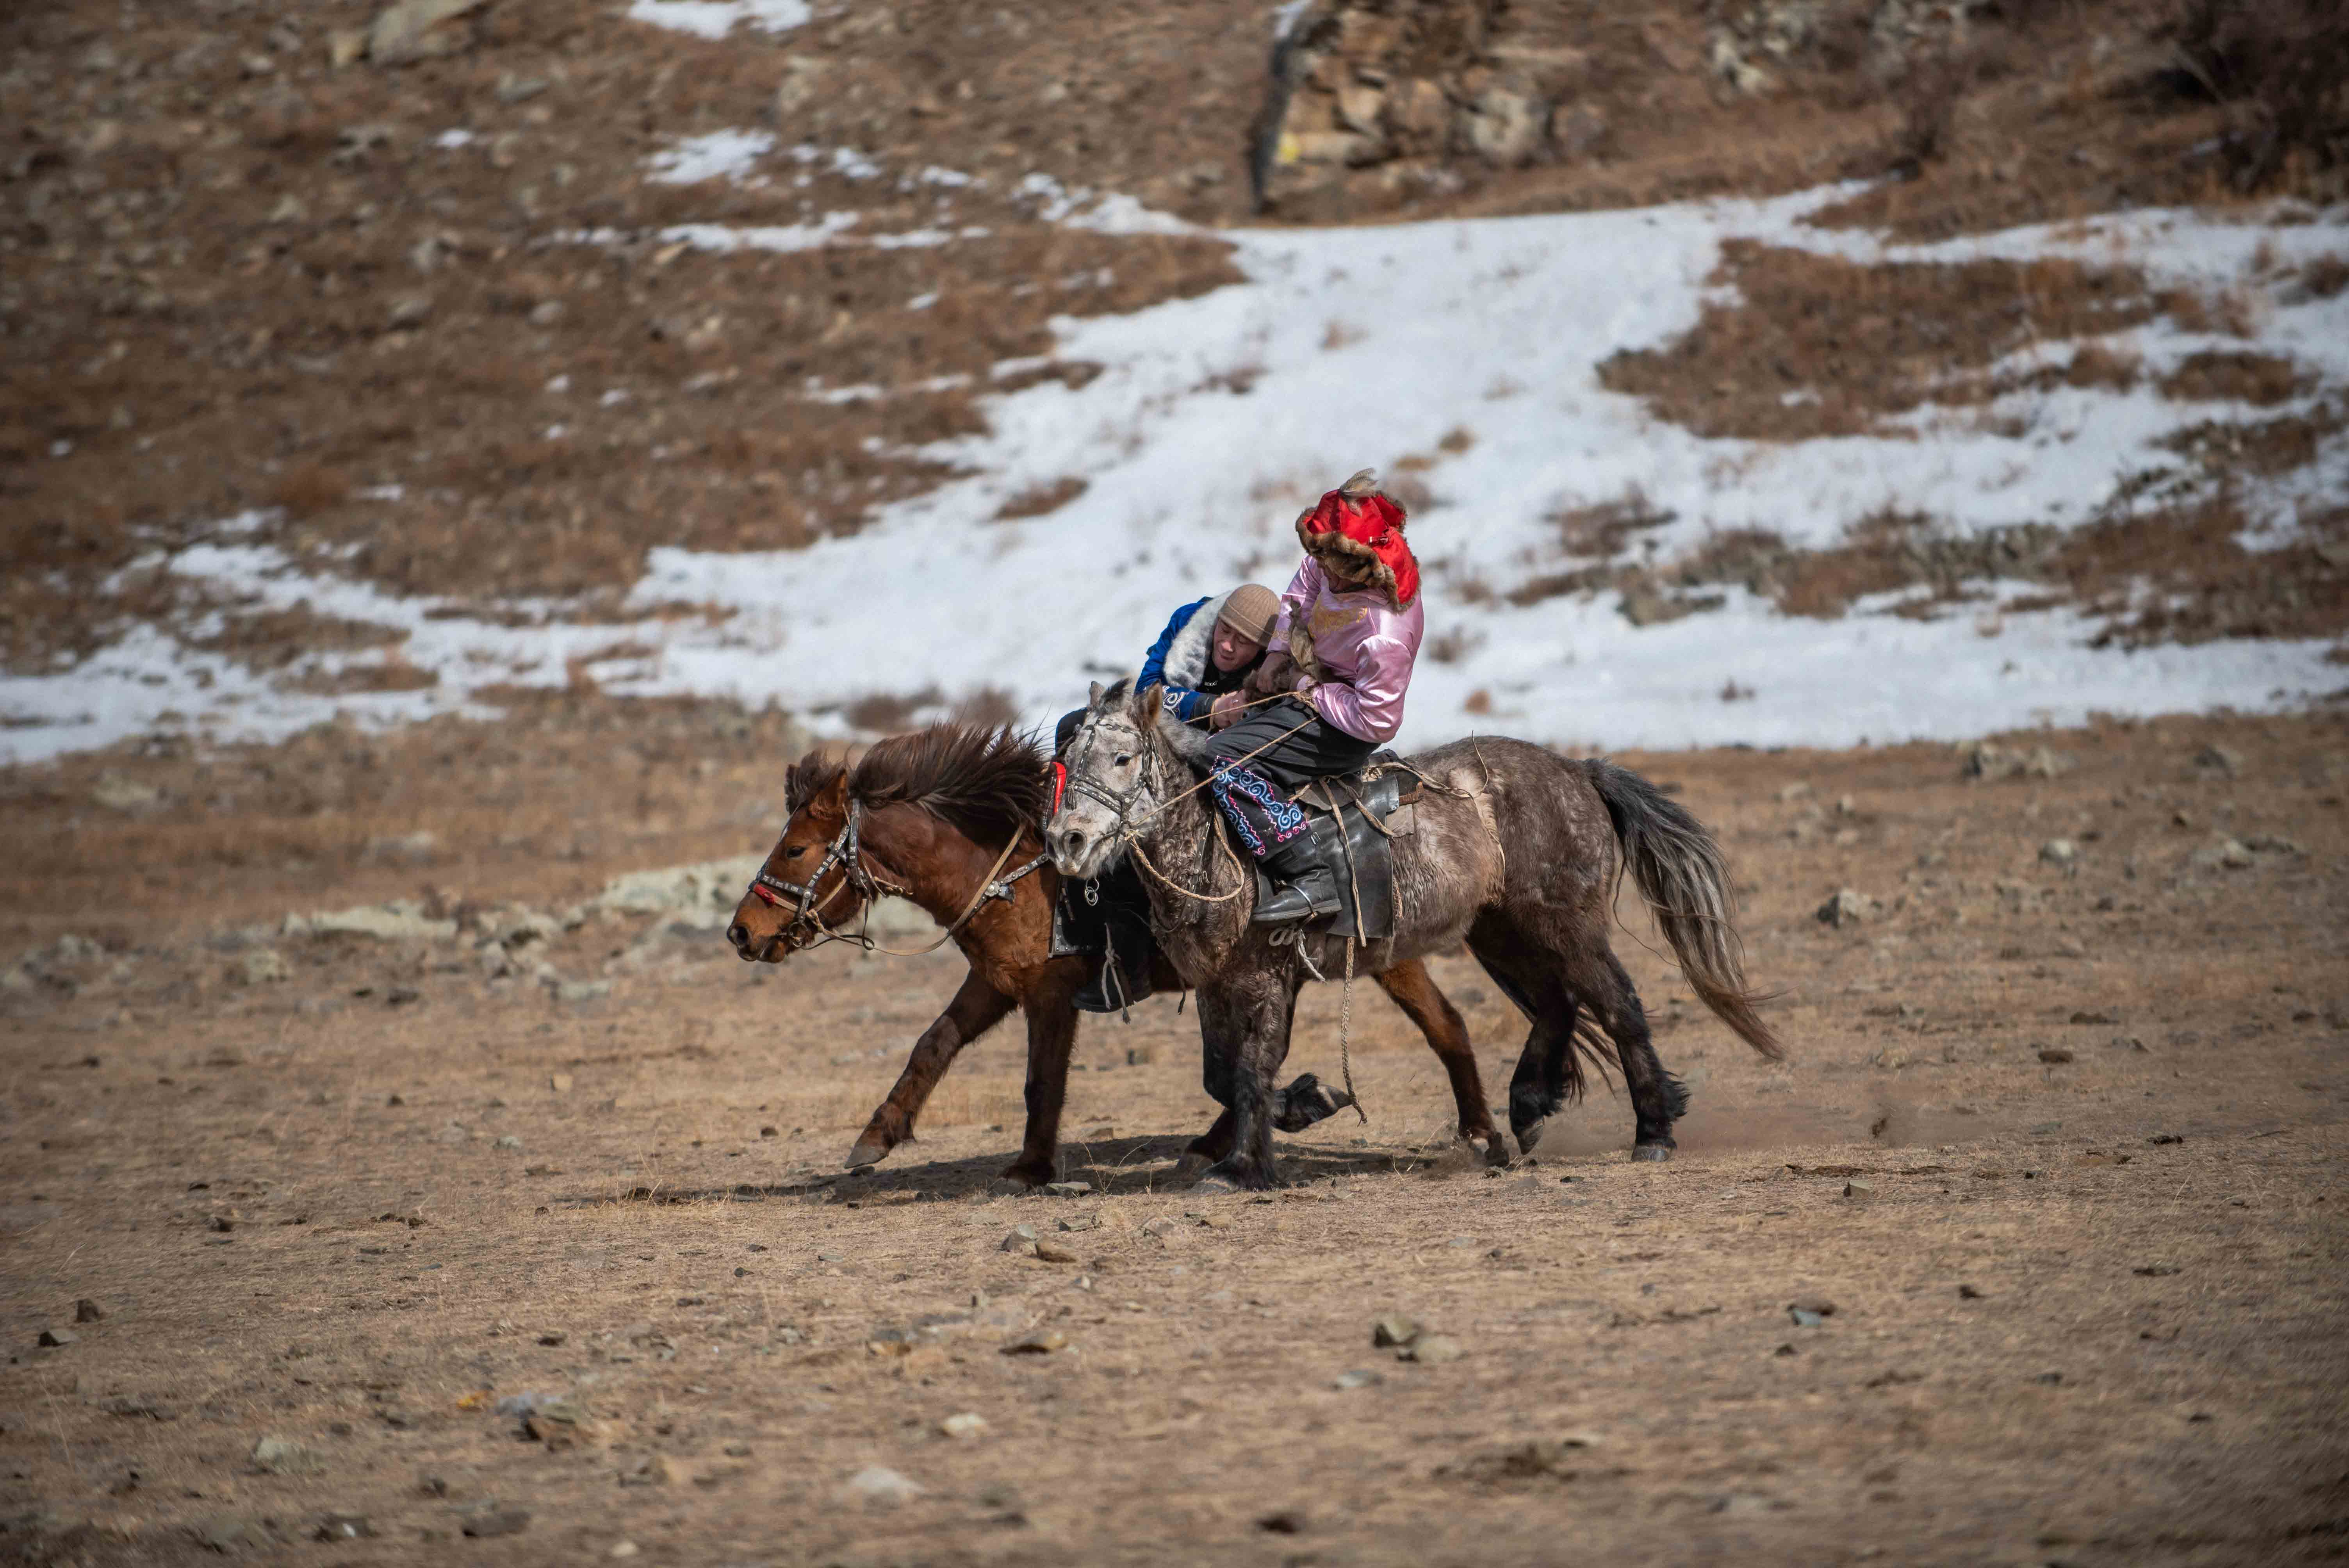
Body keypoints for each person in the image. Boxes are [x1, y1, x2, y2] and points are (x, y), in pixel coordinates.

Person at [1207, 470, 1424, 925]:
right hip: (1312, 681)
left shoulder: (1386, 633)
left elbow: (1377, 719)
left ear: (1362, 567)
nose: (1319, 568)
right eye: (1319, 559)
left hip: (1345, 721)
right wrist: (1278, 654)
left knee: (1220, 759)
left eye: (1330, 567)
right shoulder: (1331, 561)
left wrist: (1308, 690)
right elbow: (1302, 589)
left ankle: (1310, 874)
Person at [1052, 584, 1280, 1012]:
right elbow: (1148, 689)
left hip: (1225, 755)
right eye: (1224, 632)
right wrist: (1210, 706)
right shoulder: (1188, 623)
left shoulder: (1277, 662)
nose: (1227, 646)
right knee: (1071, 728)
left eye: (1243, 642)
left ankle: (1138, 957)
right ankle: (1064, 826)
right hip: (1163, 738)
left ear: (1264, 648)